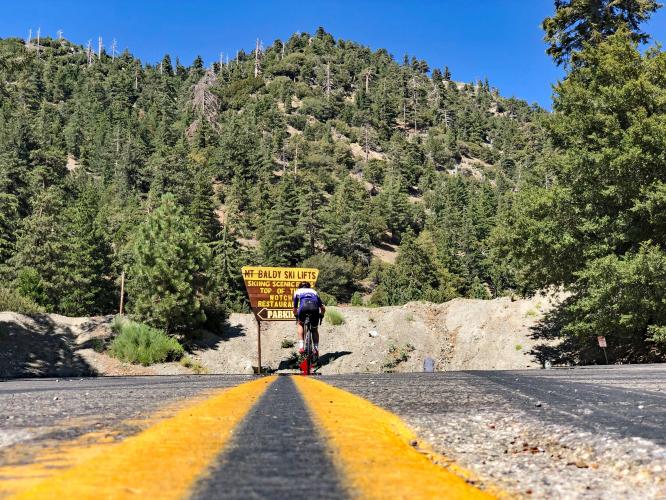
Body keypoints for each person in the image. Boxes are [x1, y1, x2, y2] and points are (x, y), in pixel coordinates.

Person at [293, 281, 325, 356]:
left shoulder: (298, 291)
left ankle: (301, 347)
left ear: (300, 286)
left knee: (300, 324)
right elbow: (322, 308)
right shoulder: (314, 292)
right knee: (314, 329)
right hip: (314, 309)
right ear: (309, 286)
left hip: (303, 308)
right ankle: (316, 349)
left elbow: (294, 309)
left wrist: (296, 315)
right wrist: (321, 315)